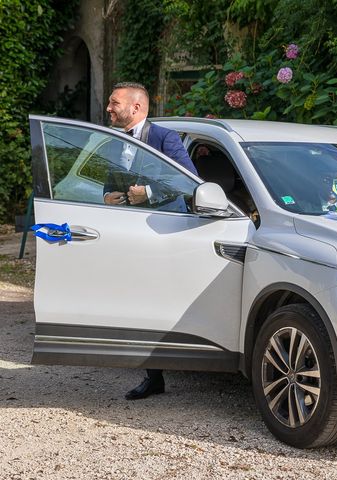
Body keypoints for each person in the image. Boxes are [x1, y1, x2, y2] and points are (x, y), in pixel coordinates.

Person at [104, 82, 197, 400]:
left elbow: (187, 177)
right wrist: (107, 196)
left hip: (164, 230)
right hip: (130, 233)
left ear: (136, 107)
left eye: (114, 103)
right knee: (136, 299)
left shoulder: (164, 137)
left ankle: (174, 364)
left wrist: (151, 193)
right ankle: (152, 376)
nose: (108, 108)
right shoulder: (116, 140)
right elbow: (109, 177)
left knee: (159, 300)